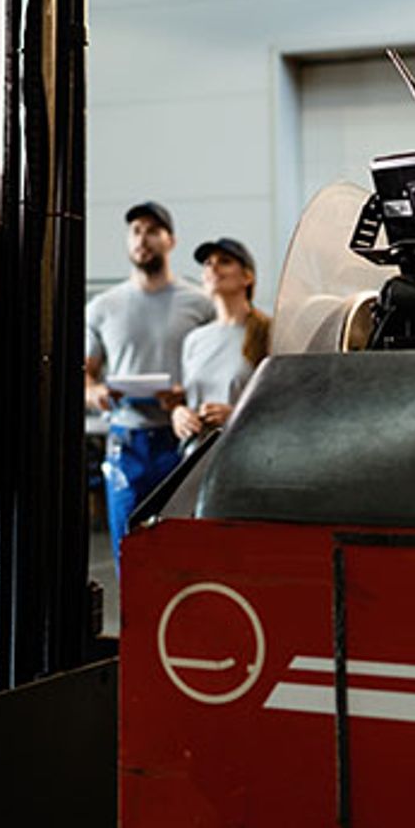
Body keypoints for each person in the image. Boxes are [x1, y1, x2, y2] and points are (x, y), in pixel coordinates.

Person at [85, 200, 214, 564]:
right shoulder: (103, 307)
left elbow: (214, 369)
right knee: (130, 550)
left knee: (183, 552)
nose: (144, 239)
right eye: (137, 231)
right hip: (127, 445)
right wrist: (93, 391)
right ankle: (134, 623)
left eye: (153, 231)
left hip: (184, 443)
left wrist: (185, 395)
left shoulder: (200, 305)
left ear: (170, 241)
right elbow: (85, 372)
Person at [173, 236, 272, 445]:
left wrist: (238, 416)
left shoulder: (270, 333)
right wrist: (179, 414)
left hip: (247, 455)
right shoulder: (194, 340)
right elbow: (188, 399)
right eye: (208, 263)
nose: (213, 268)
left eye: (224, 261)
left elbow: (288, 406)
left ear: (247, 277)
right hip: (196, 458)